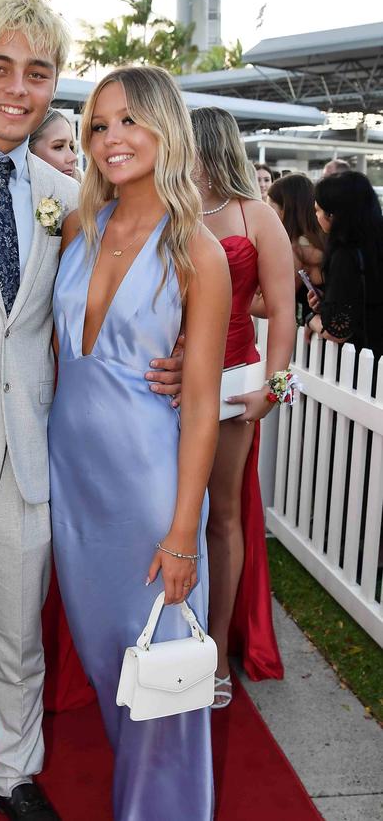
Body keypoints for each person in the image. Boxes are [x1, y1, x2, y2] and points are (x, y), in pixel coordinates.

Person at [49, 66, 230, 821]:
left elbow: (200, 404)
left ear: (166, 129)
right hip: (72, 482)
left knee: (160, 671)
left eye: (129, 121)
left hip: (151, 487)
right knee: (106, 663)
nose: (110, 139)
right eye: (98, 125)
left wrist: (184, 531)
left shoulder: (198, 250)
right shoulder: (75, 228)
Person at [191, 107, 296, 706]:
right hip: (164, 388)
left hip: (233, 385)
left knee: (221, 516)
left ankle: (215, 659)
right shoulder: (166, 205)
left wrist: (275, 388)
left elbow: (284, 310)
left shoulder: (258, 216)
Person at [307, 170, 383, 360]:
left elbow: (337, 331)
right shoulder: (373, 244)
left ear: (332, 215)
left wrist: (311, 320)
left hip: (363, 363)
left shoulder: (345, 254)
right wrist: (329, 302)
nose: (316, 216)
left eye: (318, 210)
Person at [264, 173, 325, 323]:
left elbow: (270, 303)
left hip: (315, 337)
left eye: (270, 209)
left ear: (286, 209)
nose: (265, 216)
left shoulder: (297, 249)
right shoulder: (319, 240)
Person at [28, 109, 78, 178]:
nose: (73, 158)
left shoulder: (83, 186)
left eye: (71, 147)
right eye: (58, 147)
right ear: (29, 149)